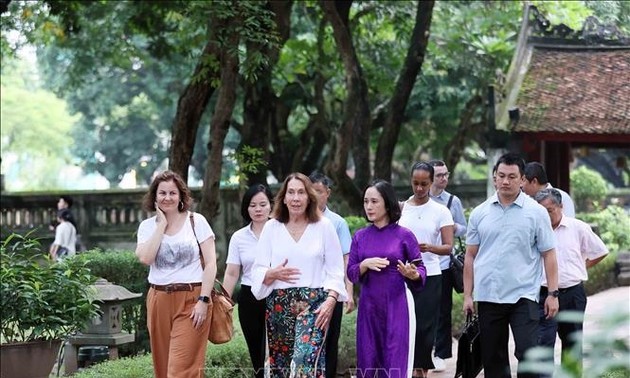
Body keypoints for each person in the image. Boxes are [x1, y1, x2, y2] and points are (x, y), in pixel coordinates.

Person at [463, 153, 560, 378]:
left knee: (528, 353)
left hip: (523, 295)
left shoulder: (536, 213)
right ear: (494, 178)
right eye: (501, 176)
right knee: (493, 359)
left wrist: (553, 293)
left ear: (522, 179)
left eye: (512, 176)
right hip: (489, 295)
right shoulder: (480, 213)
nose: (506, 181)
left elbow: (549, 253)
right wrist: (468, 295)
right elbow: (470, 256)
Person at [251, 172, 347, 378]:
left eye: (301, 192)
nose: (296, 198)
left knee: (305, 361)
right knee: (281, 367)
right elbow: (257, 269)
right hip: (279, 304)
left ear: (309, 197)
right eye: (291, 192)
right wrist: (271, 273)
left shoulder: (324, 226)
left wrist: (331, 301)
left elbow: (336, 269)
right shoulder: (271, 228)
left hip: (313, 304)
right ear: (283, 198)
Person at [135, 170, 217, 378]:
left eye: (172, 193)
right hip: (158, 299)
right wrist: (161, 225)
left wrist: (203, 300)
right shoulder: (147, 227)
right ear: (154, 196)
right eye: (162, 193)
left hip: (192, 298)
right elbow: (145, 258)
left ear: (181, 196)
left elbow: (211, 264)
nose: (167, 198)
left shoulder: (196, 221)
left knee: (180, 371)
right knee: (163, 370)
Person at [348, 179, 426, 378]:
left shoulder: (404, 235)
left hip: (397, 305)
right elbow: (351, 272)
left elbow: (420, 268)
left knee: (395, 360)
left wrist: (413, 274)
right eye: (366, 201)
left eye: (374, 201)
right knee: (367, 359)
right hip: (369, 307)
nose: (369, 206)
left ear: (387, 203)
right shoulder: (360, 237)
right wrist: (365, 264)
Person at [534, 188, 608, 367]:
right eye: (541, 211)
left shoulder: (578, 227)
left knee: (572, 344)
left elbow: (600, 251)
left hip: (572, 294)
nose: (545, 215)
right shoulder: (534, 230)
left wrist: (581, 267)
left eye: (549, 210)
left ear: (561, 206)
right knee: (544, 342)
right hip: (543, 295)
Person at [399, 162, 454, 378]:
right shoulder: (401, 209)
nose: (419, 188)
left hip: (430, 274)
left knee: (424, 326)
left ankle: (420, 368)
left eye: (424, 184)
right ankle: (406, 365)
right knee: (404, 322)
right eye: (415, 183)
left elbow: (448, 247)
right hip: (402, 274)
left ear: (431, 183)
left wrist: (429, 247)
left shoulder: (441, 211)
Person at [222, 184, 274, 378]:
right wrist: (224, 302)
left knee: (281, 348)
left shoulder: (281, 231)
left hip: (278, 295)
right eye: (253, 205)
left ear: (271, 206)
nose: (258, 209)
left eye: (262, 204)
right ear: (246, 208)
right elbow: (232, 273)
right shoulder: (239, 237)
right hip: (249, 297)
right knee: (256, 351)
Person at [308, 171, 354, 378]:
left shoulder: (337, 223)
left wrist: (349, 293)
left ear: (328, 193)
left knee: (330, 340)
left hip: (330, 292)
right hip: (304, 291)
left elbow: (347, 260)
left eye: (319, 191)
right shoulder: (297, 220)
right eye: (311, 191)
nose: (315, 196)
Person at [427, 160, 467, 372]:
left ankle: (441, 353)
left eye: (446, 174)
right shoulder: (420, 199)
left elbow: (464, 229)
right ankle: (426, 349)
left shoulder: (453, 201)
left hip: (444, 262)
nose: (443, 178)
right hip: (423, 263)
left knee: (443, 310)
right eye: (439, 175)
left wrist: (450, 226)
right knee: (426, 309)